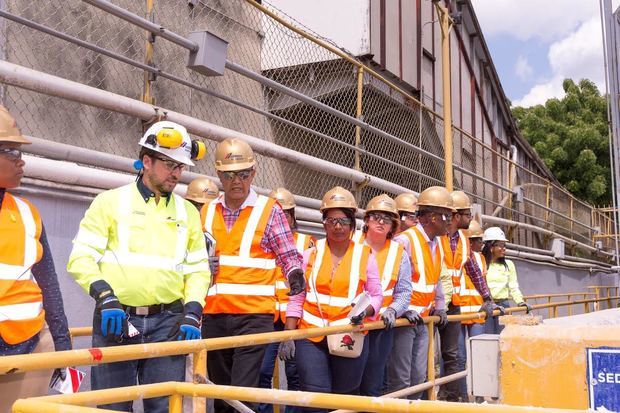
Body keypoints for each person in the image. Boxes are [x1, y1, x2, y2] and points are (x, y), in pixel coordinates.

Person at [67, 121, 211, 412]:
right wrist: (105, 297)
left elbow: (198, 269)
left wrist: (193, 312)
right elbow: (81, 257)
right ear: (146, 161)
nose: (176, 173)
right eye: (170, 164)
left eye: (181, 167)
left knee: (164, 406)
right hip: (117, 319)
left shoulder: (187, 212)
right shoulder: (109, 202)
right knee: (113, 407)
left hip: (169, 323)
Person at [200, 139, 305, 413]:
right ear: (219, 175)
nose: (237, 181)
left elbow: (288, 254)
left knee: (242, 395)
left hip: (253, 318)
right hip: (214, 317)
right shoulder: (206, 211)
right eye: (230, 175)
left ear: (254, 173)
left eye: (244, 174)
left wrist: (295, 274)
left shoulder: (269, 211)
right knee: (222, 396)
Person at [278, 186, 383, 412]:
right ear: (323, 223)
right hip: (311, 336)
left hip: (348, 334)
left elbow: (376, 296)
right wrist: (288, 334)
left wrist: (365, 312)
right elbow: (297, 297)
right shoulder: (310, 254)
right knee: (316, 397)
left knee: (345, 398)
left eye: (343, 221)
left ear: (352, 225)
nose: (337, 226)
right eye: (332, 220)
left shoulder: (365, 256)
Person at [0, 106, 72, 412]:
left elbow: (49, 284)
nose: (22, 161)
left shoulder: (28, 213)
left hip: (30, 345)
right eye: (12, 152)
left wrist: (62, 343)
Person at [385, 186, 451, 400]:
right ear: (432, 217)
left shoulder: (438, 243)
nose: (450, 221)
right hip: (404, 322)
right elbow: (391, 281)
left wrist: (440, 307)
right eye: (446, 216)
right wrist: (400, 310)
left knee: (419, 378)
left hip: (424, 320)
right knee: (401, 380)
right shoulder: (404, 241)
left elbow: (436, 281)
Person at [437, 191, 500, 402]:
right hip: (431, 304)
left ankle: (454, 399)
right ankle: (430, 396)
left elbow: (474, 271)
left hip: (452, 304)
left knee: (452, 355)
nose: (470, 219)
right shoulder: (437, 237)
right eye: (467, 214)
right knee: (427, 358)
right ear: (455, 216)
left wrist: (487, 298)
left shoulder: (463, 239)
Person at [258, 187, 312, 413]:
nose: (281, 217)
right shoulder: (261, 242)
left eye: (286, 213)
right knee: (261, 372)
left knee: (295, 373)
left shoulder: (307, 243)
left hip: (294, 318)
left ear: (292, 216)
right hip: (268, 315)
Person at [355, 194, 413, 397]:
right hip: (350, 323)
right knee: (348, 383)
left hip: (380, 326)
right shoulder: (351, 243)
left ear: (393, 226)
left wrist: (393, 310)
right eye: (376, 217)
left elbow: (404, 292)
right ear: (367, 220)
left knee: (372, 384)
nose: (381, 222)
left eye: (387, 219)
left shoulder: (399, 253)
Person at [481, 227, 532, 334]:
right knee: (487, 339)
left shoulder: (509, 265)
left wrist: (520, 302)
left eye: (504, 245)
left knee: (503, 337)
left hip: (503, 306)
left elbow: (513, 286)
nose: (504, 248)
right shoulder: (482, 263)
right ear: (490, 246)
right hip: (487, 306)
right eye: (500, 245)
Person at [457, 219, 486, 401]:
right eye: (478, 240)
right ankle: (459, 395)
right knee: (457, 357)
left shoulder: (480, 259)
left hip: (476, 313)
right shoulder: (458, 256)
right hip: (458, 313)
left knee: (479, 354)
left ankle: (481, 394)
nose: (481, 244)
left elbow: (482, 281)